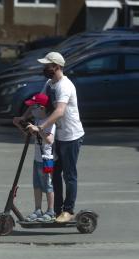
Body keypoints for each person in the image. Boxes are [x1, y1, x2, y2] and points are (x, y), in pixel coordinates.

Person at [14, 51, 85, 223]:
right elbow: (39, 101)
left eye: (47, 65)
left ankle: (68, 211)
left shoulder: (64, 86)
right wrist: (24, 117)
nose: (44, 68)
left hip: (71, 136)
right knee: (55, 174)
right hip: (58, 136)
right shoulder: (49, 83)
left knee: (69, 175)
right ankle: (56, 210)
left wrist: (41, 126)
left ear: (57, 67)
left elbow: (60, 111)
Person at [14, 93, 56, 222]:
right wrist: (20, 124)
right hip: (37, 159)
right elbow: (30, 134)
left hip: (47, 159)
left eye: (34, 108)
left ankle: (50, 211)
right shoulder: (38, 120)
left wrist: (39, 129)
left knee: (48, 185)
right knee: (37, 185)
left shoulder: (49, 122)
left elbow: (49, 140)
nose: (32, 110)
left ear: (42, 108)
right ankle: (38, 209)